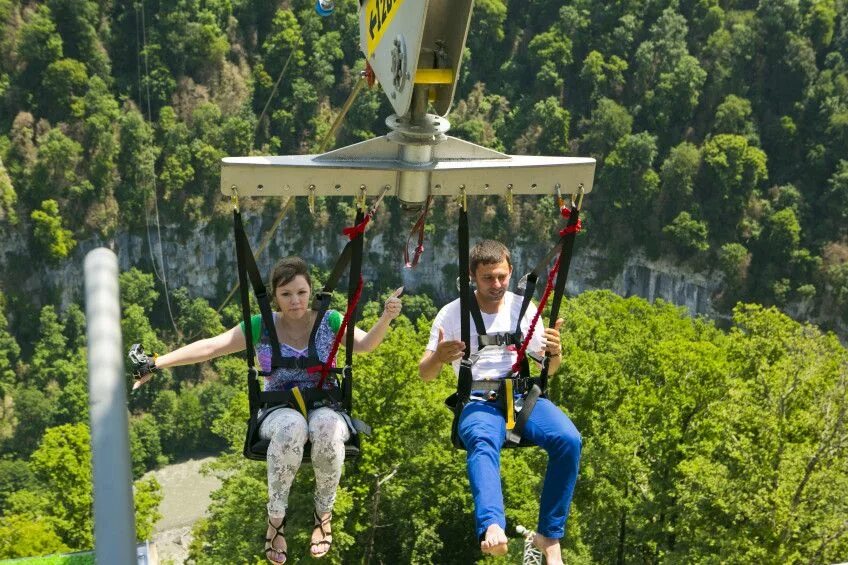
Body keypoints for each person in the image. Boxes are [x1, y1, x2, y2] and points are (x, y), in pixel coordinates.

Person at [132, 257, 403, 564]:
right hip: (278, 410)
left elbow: (365, 345)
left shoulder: (330, 320)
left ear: (310, 291)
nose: (295, 301)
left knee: (326, 428)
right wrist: (158, 362)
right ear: (275, 297)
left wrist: (386, 318)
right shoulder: (261, 325)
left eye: (301, 292)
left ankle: (324, 512)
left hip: (324, 405)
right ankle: (276, 519)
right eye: (286, 294)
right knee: (292, 429)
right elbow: (211, 346)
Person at [418, 240, 580, 564]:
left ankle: (549, 534)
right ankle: (492, 524)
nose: (497, 285)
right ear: (472, 277)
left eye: (502, 277)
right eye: (488, 278)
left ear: (510, 272)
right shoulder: (452, 314)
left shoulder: (523, 309)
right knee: (482, 441)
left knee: (569, 440)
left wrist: (555, 353)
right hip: (478, 398)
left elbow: (550, 368)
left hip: (521, 395)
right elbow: (425, 373)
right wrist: (438, 357)